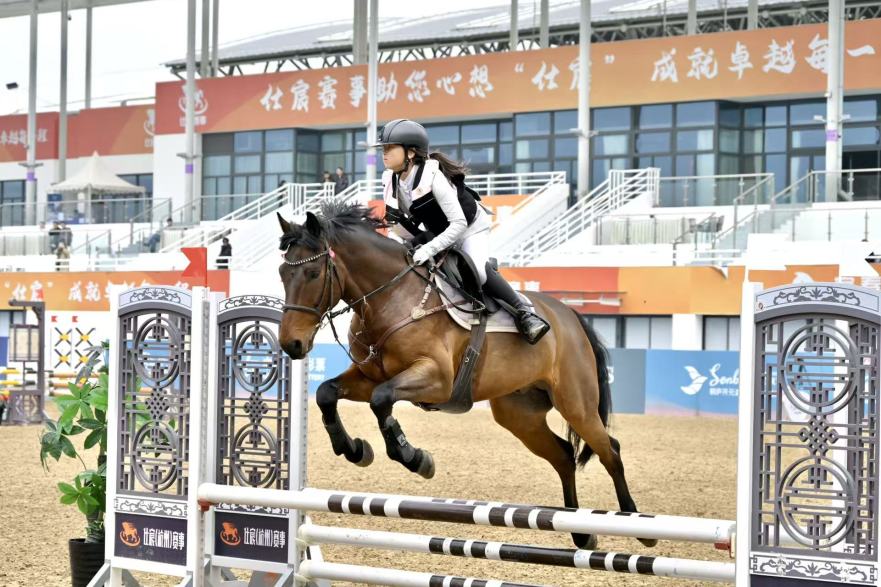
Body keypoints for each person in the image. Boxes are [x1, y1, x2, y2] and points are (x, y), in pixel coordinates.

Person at [375, 118, 549, 344]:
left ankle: (524, 312)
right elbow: (398, 222)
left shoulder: (433, 176)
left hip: (469, 227)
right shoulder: (389, 179)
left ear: (410, 153)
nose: (384, 153)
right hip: (437, 231)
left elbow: (458, 224)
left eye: (390, 148)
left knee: (478, 270)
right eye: (383, 149)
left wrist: (429, 248)